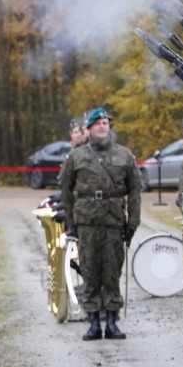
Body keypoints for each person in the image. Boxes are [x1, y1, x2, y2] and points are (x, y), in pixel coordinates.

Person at [58, 107, 142, 340]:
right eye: (98, 123)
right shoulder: (76, 157)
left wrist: (133, 223)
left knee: (112, 271)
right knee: (90, 271)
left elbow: (135, 191)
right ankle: (94, 320)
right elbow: (65, 190)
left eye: (106, 123)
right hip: (87, 222)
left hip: (114, 221)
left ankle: (112, 321)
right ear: (89, 129)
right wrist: (71, 222)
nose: (103, 126)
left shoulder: (124, 155)